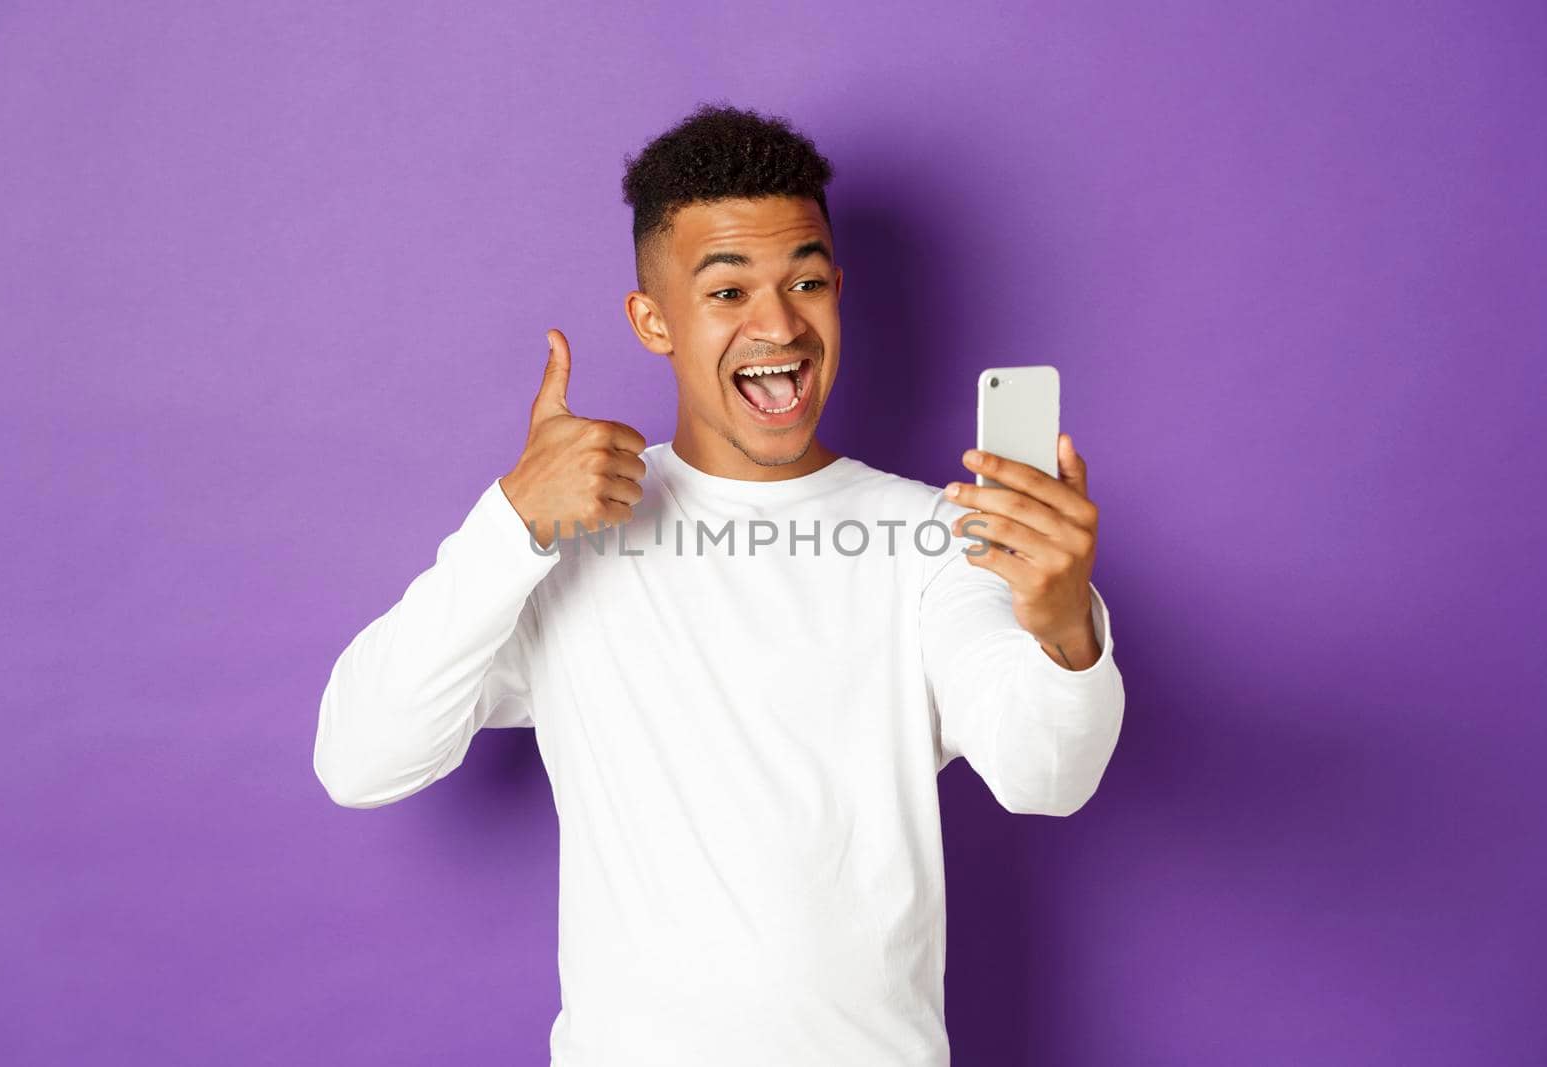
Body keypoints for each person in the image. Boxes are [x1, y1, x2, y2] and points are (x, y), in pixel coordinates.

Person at [313, 102, 1125, 1067]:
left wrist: (1064, 624)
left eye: (808, 281)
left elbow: (1047, 779)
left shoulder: (935, 534)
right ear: (653, 320)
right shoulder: (567, 536)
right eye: (729, 291)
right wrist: (512, 524)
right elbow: (359, 757)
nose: (780, 323)